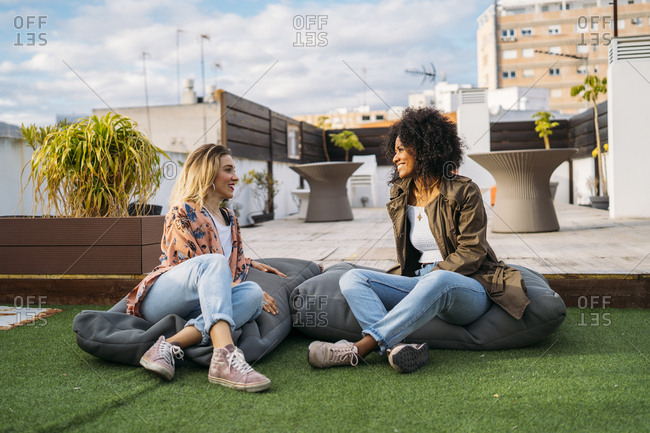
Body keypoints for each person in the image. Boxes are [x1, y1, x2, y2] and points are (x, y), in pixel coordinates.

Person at [307, 107, 530, 373]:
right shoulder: (400, 192)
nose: (395, 157)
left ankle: (359, 348)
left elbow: (472, 251)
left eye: (401, 150)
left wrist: (431, 277)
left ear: (424, 148)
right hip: (420, 281)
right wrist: (420, 280)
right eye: (395, 150)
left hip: (467, 286)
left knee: (439, 279)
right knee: (352, 278)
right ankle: (397, 349)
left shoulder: (463, 190)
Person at [127, 143, 286, 392]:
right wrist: (230, 279)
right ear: (207, 174)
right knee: (216, 264)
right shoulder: (182, 211)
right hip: (165, 296)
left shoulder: (230, 219)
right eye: (228, 170)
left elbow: (232, 260)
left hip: (202, 304)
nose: (235, 177)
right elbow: (187, 262)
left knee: (253, 293)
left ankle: (168, 346)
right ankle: (224, 356)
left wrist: (252, 264)